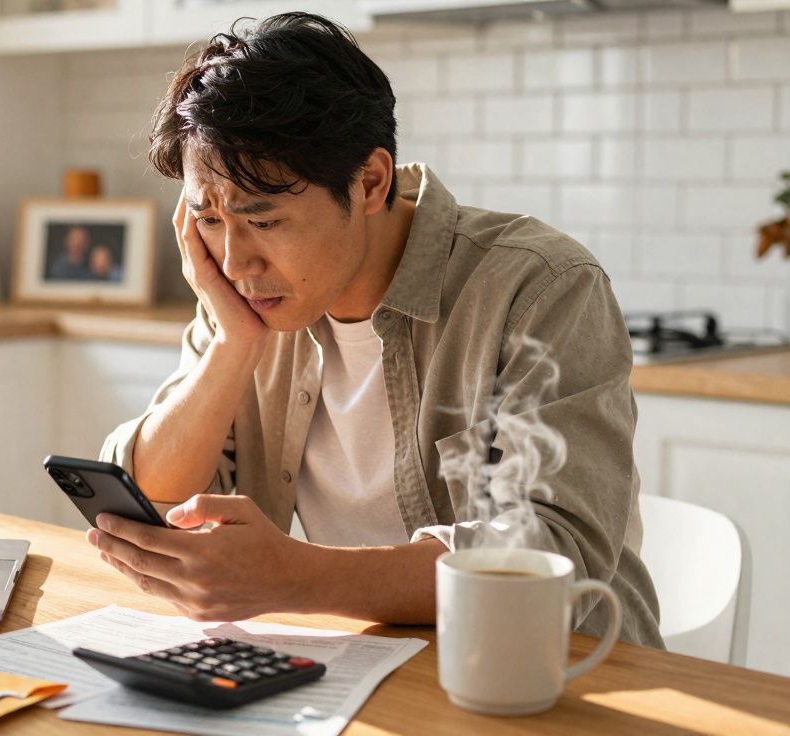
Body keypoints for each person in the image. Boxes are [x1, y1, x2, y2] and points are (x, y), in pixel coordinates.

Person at [92, 12, 662, 647]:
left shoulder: (540, 287)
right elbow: (154, 499)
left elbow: (552, 556)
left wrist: (297, 577)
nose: (234, 262)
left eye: (265, 219)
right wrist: (232, 347)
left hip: (560, 670)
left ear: (369, 183)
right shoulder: (243, 298)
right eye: (209, 220)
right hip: (375, 666)